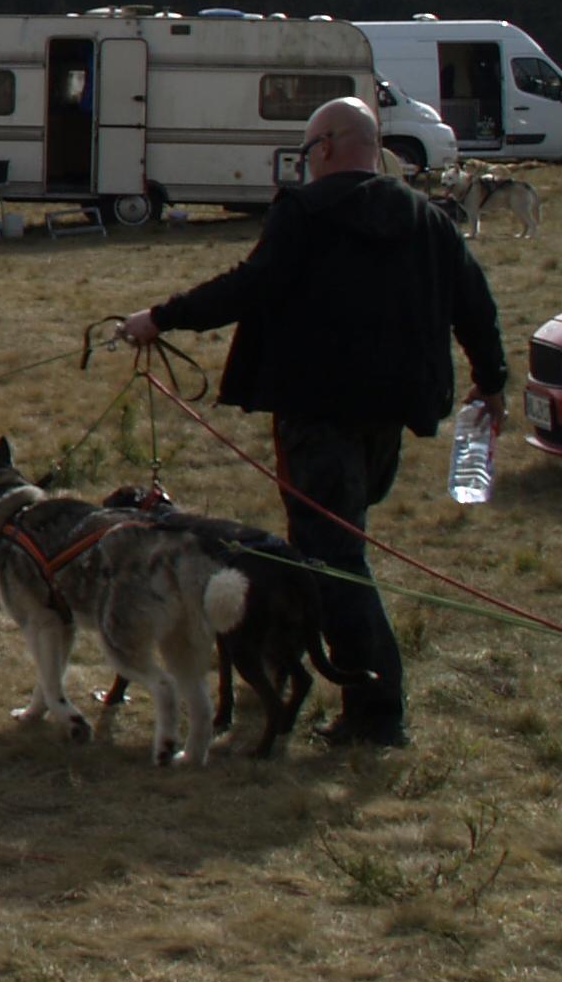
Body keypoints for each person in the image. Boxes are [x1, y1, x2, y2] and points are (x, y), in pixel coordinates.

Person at [120, 95, 507, 748]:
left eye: (306, 150)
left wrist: (161, 317)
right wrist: (491, 380)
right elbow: (476, 302)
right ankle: (298, 666)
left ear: (325, 147)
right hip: (388, 413)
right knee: (338, 543)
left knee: (332, 558)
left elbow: (250, 285)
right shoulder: (427, 217)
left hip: (317, 413)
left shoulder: (305, 213)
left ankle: (376, 710)